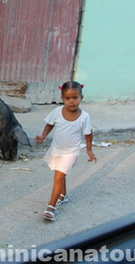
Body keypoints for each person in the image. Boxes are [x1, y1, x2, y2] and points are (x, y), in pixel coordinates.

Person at [35, 81, 97, 221]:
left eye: (75, 98)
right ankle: (63, 195)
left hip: (71, 152)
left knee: (58, 175)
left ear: (81, 97)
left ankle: (51, 207)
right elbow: (49, 124)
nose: (71, 101)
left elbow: (88, 134)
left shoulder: (84, 117)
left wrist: (89, 150)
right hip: (57, 150)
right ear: (62, 99)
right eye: (68, 98)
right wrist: (43, 135)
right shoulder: (57, 112)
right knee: (59, 174)